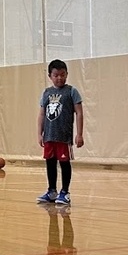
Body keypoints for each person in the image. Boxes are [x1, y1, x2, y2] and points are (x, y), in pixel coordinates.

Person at [35, 60, 84, 205]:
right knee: (50, 163)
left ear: (67, 74)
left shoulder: (71, 91)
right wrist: (39, 133)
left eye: (62, 75)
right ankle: (51, 191)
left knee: (64, 164)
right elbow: (42, 114)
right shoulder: (47, 93)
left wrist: (79, 134)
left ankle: (65, 192)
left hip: (63, 136)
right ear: (50, 75)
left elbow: (79, 113)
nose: (59, 78)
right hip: (49, 135)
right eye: (56, 75)